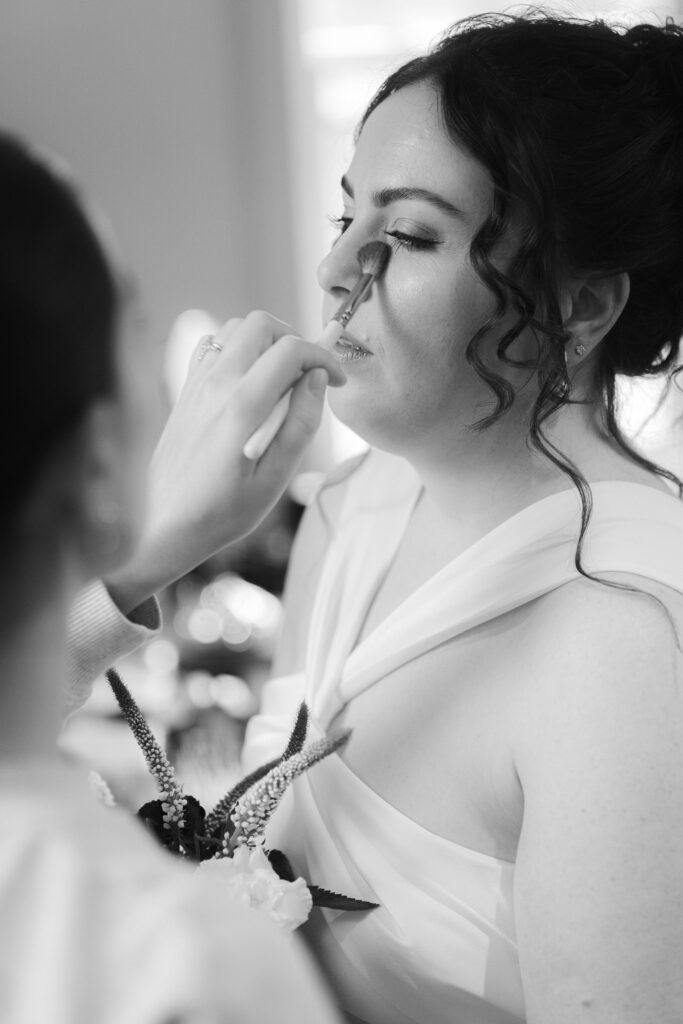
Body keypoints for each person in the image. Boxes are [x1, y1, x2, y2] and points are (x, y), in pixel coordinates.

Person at [234, 14, 683, 1024]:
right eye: (343, 219)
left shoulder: (623, 644)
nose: (336, 272)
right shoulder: (348, 512)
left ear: (579, 308)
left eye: (405, 234)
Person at [0, 130, 346, 1023]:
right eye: (139, 328)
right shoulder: (188, 969)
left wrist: (142, 550)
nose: (337, 268)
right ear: (98, 456)